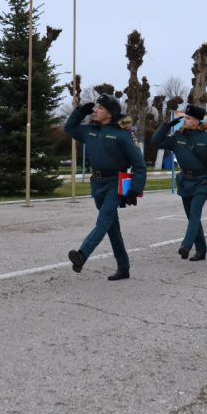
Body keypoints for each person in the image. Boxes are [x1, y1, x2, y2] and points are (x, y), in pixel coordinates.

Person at [64, 94, 146, 281]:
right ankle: (123, 267)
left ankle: (82, 254)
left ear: (109, 113)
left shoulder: (123, 133)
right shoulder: (89, 130)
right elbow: (69, 128)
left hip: (116, 183)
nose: (95, 110)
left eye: (99, 108)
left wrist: (134, 189)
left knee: (103, 221)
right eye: (95, 108)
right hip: (98, 183)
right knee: (112, 228)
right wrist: (79, 112)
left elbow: (139, 164)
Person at [152, 104, 207, 261]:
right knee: (191, 217)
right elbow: (155, 141)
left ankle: (186, 245)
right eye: (185, 117)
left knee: (194, 214)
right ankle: (201, 249)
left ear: (197, 121)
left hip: (202, 181)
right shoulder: (178, 137)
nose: (184, 120)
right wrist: (166, 126)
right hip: (185, 180)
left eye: (188, 118)